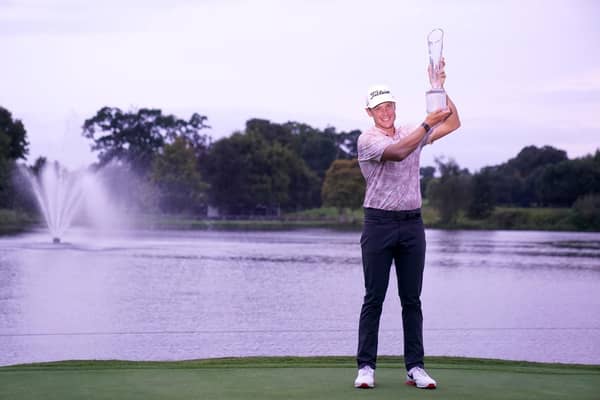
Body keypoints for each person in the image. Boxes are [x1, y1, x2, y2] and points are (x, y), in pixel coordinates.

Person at [353, 59, 461, 389]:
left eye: (389, 105)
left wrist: (439, 87)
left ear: (394, 107)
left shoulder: (410, 131)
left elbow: (453, 122)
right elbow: (399, 152)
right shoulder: (367, 140)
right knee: (374, 297)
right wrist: (427, 125)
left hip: (413, 225)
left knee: (412, 300)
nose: (385, 111)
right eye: (378, 107)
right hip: (379, 224)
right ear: (369, 111)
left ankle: (415, 367)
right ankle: (366, 368)